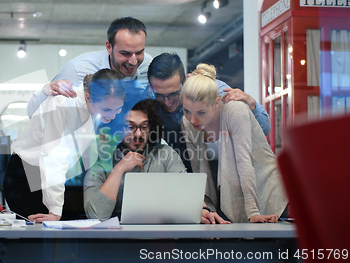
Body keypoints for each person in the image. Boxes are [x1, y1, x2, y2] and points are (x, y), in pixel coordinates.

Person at [83, 99, 229, 224]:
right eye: (130, 127)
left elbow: (185, 191)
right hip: (118, 242)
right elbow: (97, 215)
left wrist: (202, 211)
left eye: (144, 127)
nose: (138, 134)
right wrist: (119, 169)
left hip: (162, 239)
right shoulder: (101, 163)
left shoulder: (164, 154)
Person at [9, 69, 126, 223]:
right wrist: (55, 210)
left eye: (118, 109)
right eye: (106, 109)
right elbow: (53, 157)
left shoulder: (92, 108)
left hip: (55, 179)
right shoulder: (63, 103)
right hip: (27, 177)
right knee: (39, 238)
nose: (112, 116)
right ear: (88, 97)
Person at [180, 63, 288, 223]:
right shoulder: (187, 123)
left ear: (216, 103)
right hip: (234, 196)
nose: (193, 119)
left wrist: (252, 212)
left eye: (201, 112)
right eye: (187, 111)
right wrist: (207, 209)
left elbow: (244, 163)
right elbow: (200, 172)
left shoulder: (235, 111)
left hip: (267, 188)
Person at [147, 53, 271, 171]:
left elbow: (264, 128)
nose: (167, 101)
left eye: (173, 94)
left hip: (225, 172)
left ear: (185, 81)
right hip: (184, 172)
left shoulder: (211, 91)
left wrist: (251, 105)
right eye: (159, 95)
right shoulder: (149, 103)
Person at [26, 16, 152, 118]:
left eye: (140, 52)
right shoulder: (76, 71)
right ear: (109, 47)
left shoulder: (148, 66)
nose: (133, 61)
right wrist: (45, 90)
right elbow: (36, 114)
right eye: (125, 53)